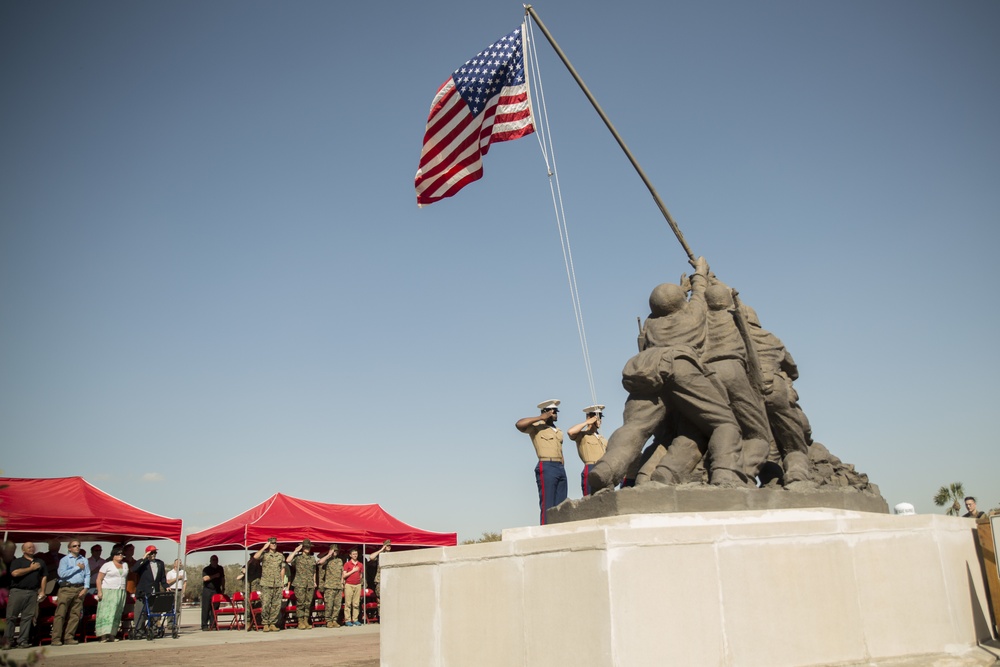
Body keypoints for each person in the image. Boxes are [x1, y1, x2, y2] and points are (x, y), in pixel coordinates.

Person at [589, 257, 749, 492]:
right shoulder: (691, 316)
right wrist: (700, 273)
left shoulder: (651, 324)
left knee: (634, 427)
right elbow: (699, 295)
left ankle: (607, 468)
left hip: (645, 368)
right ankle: (725, 475)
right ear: (682, 303)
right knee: (724, 423)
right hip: (679, 366)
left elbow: (665, 306)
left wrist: (680, 291)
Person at [516, 399, 568, 524]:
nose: (555, 414)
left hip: (559, 467)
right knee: (547, 502)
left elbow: (560, 451)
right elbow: (519, 424)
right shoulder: (536, 427)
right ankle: (546, 529)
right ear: (546, 412)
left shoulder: (557, 431)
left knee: (562, 503)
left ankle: (559, 528)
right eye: (553, 411)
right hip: (546, 465)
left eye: (556, 411)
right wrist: (540, 417)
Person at [3, 542, 48, 650]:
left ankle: (22, 641)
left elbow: (44, 577)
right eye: (29, 547)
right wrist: (31, 569)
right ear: (23, 550)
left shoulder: (40, 562)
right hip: (18, 592)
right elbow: (15, 573)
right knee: (11, 617)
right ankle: (8, 641)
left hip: (32, 592)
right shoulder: (17, 561)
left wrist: (42, 591)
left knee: (27, 618)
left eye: (33, 547)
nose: (31, 549)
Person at [567, 405, 607, 496]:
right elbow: (571, 432)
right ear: (589, 417)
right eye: (596, 417)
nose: (599, 420)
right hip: (591, 468)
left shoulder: (602, 438)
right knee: (589, 499)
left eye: (600, 417)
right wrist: (587, 422)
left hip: (603, 469)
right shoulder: (583, 435)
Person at [94, 547, 128, 642]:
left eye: (121, 554)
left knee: (117, 612)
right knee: (107, 613)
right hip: (108, 590)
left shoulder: (125, 565)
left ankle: (112, 635)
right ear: (113, 555)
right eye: (118, 554)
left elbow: (125, 578)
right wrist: (99, 591)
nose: (120, 555)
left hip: (120, 591)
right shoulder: (107, 565)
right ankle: (103, 636)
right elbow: (99, 579)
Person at [132, 545, 166, 635]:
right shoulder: (143, 563)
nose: (154, 555)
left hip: (155, 591)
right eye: (151, 553)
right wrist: (144, 558)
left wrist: (166, 586)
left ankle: (153, 629)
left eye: (155, 553)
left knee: (154, 611)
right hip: (143, 591)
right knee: (140, 612)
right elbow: (134, 569)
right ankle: (139, 630)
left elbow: (163, 578)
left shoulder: (160, 563)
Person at [255, 537, 285, 632]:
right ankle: (265, 623)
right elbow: (255, 557)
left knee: (276, 605)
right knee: (266, 604)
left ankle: (272, 623)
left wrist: (281, 581)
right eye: (272, 543)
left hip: (277, 583)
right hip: (266, 583)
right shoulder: (264, 555)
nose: (274, 545)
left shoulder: (280, 556)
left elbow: (282, 568)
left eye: (275, 543)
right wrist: (264, 547)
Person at [287, 540, 318, 629]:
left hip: (310, 584)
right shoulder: (298, 557)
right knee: (300, 603)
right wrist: (296, 550)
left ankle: (306, 620)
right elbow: (288, 560)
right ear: (302, 548)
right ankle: (300, 621)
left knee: (308, 603)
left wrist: (314, 581)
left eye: (308, 547)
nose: (307, 548)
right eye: (305, 547)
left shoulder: (312, 558)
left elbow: (314, 571)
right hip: (300, 583)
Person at [318, 545, 344, 628]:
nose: (335, 552)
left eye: (336, 551)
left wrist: (342, 582)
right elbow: (320, 561)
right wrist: (328, 554)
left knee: (337, 605)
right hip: (329, 586)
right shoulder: (327, 559)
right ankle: (328, 620)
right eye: (334, 551)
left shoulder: (340, 560)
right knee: (329, 605)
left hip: (338, 586)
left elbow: (342, 572)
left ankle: (334, 620)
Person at [200, 554, 225, 630]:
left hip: (217, 590)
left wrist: (223, 588)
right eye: (213, 560)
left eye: (216, 560)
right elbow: (205, 578)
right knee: (206, 608)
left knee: (215, 608)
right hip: (208, 590)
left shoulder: (220, 568)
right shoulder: (206, 569)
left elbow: (223, 578)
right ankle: (204, 625)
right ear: (210, 561)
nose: (215, 561)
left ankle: (213, 624)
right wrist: (214, 576)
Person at [342, 548, 364, 627]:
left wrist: (359, 582)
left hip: (357, 585)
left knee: (356, 603)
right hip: (349, 585)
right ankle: (347, 620)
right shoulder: (347, 564)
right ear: (350, 555)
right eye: (353, 554)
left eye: (356, 554)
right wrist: (353, 571)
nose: (355, 555)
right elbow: (344, 575)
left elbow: (361, 575)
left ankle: (355, 619)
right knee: (348, 603)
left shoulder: (360, 564)